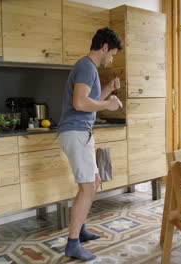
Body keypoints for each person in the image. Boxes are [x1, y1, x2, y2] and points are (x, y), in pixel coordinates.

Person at [57, 27, 123, 261]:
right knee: (87, 188)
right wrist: (109, 106)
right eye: (112, 53)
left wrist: (108, 90)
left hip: (80, 132)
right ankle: (73, 244)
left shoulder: (88, 68)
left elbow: (90, 100)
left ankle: (80, 229)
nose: (111, 58)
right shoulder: (86, 66)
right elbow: (80, 103)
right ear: (104, 48)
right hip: (76, 132)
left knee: (93, 182)